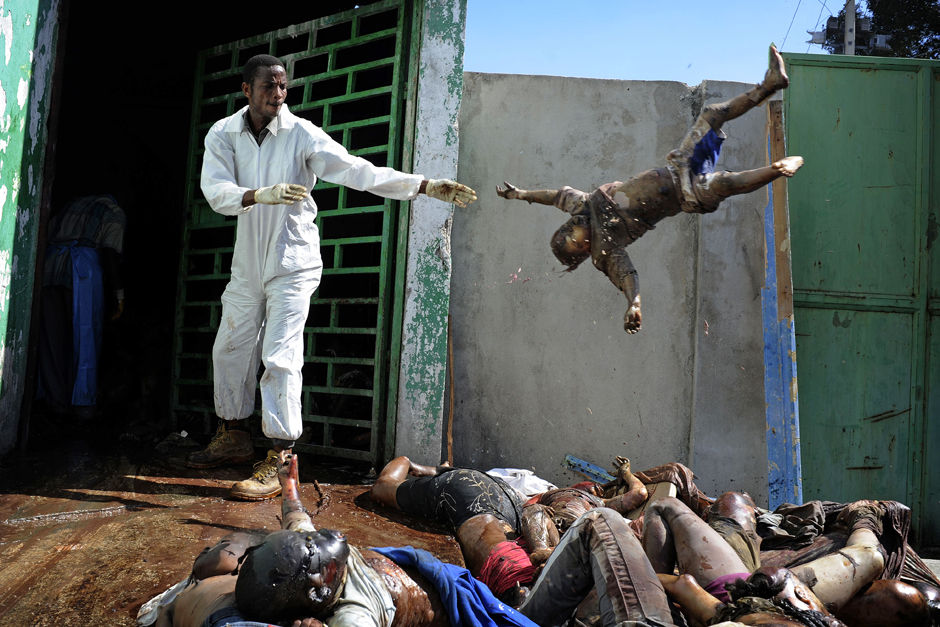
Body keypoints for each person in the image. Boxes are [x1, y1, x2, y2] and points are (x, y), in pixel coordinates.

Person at [188, 53, 477, 500]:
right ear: (246, 90)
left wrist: (421, 185)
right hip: (247, 263)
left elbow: (356, 170)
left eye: (283, 86)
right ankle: (233, 434)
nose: (278, 94)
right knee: (229, 348)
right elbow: (215, 190)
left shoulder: (301, 133)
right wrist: (258, 194)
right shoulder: (223, 133)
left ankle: (281, 460)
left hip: (293, 260)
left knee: (280, 356)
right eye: (268, 86)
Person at [496, 45, 803, 333]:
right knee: (725, 183)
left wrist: (520, 194)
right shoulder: (606, 250)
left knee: (712, 114)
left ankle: (768, 85)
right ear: (584, 250)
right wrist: (634, 303)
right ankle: (778, 170)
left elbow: (555, 196)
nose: (572, 229)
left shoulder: (585, 206)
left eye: (566, 229)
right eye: (573, 240)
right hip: (687, 193)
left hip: (681, 164)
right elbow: (627, 276)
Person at [144, 454, 539, 627]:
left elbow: (295, 518)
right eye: (314, 543)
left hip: (413, 566)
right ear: (321, 589)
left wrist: (290, 484)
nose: (329, 534)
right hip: (434, 596)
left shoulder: (310, 560)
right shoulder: (353, 614)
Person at [369, 456, 539, 603]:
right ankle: (406, 461)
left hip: (498, 497)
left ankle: (426, 467)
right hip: (498, 498)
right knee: (382, 488)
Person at [38, 194, 126, 420]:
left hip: (49, 270)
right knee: (85, 340)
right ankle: (82, 405)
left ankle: (56, 403)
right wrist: (118, 294)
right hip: (81, 273)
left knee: (52, 341)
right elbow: (109, 253)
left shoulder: (70, 206)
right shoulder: (113, 212)